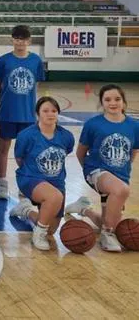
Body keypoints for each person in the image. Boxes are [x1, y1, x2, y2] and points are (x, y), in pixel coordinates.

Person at [64, 84, 139, 252]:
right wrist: (92, 176)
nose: (113, 103)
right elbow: (81, 152)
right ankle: (107, 235)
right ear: (102, 103)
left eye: (117, 99)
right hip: (96, 170)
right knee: (121, 192)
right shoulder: (93, 124)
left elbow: (133, 152)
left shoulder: (134, 126)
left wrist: (119, 177)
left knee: (111, 219)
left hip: (120, 176)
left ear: (124, 102)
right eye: (108, 100)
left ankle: (83, 209)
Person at [9, 97, 74, 251]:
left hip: (57, 182)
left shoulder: (67, 136)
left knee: (51, 230)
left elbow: (66, 152)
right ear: (38, 113)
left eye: (54, 110)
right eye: (45, 110)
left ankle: (25, 210)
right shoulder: (26, 135)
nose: (50, 114)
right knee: (54, 197)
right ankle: (37, 235)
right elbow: (20, 158)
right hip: (30, 178)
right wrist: (34, 174)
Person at [0, 25, 45, 200]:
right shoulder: (3, 61)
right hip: (7, 113)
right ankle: (2, 183)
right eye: (16, 38)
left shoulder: (36, 61)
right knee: (3, 147)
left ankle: (26, 183)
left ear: (29, 41)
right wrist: (6, 100)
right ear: (12, 40)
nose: (20, 42)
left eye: (23, 39)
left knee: (27, 151)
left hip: (28, 114)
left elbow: (36, 85)